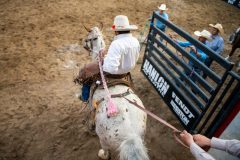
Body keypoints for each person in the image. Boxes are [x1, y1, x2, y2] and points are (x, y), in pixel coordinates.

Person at [80, 15, 140, 102]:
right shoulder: (135, 41)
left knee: (86, 71)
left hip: (114, 73)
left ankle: (84, 97)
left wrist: (103, 60)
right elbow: (135, 58)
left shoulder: (116, 43)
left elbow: (110, 68)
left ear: (116, 31)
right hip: (126, 72)